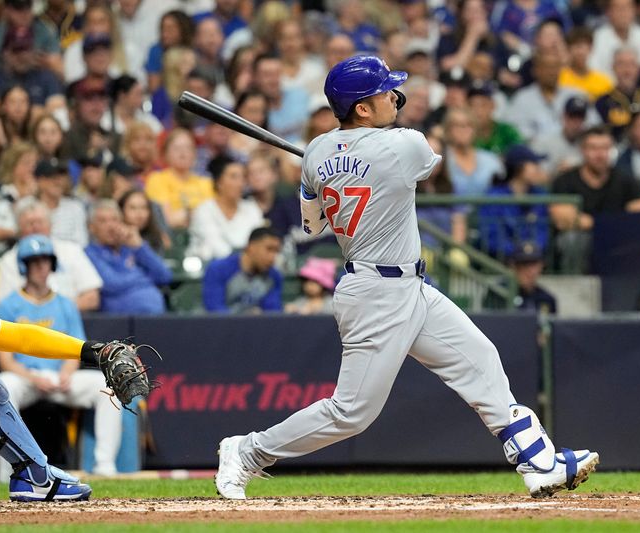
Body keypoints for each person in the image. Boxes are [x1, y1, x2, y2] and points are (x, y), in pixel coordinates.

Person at [214, 55, 599, 501]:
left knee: (479, 357)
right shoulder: (405, 145)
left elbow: (312, 226)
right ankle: (248, 450)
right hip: (376, 293)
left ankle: (538, 463)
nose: (394, 96)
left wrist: (329, 168)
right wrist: (354, 162)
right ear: (361, 107)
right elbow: (418, 161)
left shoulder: (316, 153)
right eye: (385, 91)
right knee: (352, 413)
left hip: (408, 286)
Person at [0, 235, 123, 479]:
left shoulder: (65, 304)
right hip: (26, 377)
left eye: (45, 260)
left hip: (60, 376)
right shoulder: (9, 304)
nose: (41, 266)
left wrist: (66, 373)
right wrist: (34, 378)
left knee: (106, 387)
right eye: (35, 262)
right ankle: (7, 472)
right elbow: (6, 361)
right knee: (3, 387)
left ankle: (105, 466)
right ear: (24, 265)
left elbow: (76, 349)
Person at [550, 126, 640, 273]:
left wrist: (591, 222)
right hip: (584, 239)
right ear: (582, 150)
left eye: (605, 148)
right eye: (593, 148)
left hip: (618, 237)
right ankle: (574, 284)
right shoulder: (565, 180)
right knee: (571, 239)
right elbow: (562, 218)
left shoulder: (625, 179)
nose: (600, 154)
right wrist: (612, 220)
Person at [0, 198, 102, 311]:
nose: (36, 227)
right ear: (19, 229)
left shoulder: (72, 251)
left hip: (67, 323)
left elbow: (92, 297)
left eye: (40, 222)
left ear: (51, 225)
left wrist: (57, 315)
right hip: (26, 324)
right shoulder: (8, 260)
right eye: (30, 223)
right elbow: (6, 305)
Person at [85, 200, 172, 315]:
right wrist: (146, 279)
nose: (111, 226)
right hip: (121, 322)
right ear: (92, 227)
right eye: (103, 221)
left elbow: (165, 276)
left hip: (156, 318)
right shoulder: (89, 253)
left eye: (114, 220)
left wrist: (139, 246)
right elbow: (112, 284)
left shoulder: (132, 248)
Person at [187, 156, 265, 262]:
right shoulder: (204, 210)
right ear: (219, 182)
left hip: (248, 271)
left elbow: (260, 242)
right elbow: (216, 248)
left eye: (243, 178)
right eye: (234, 177)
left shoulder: (252, 209)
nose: (240, 183)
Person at [202, 226, 283, 314]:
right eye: (269, 249)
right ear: (251, 247)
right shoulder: (217, 269)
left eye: (276, 251)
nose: (272, 257)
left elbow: (273, 312)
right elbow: (215, 310)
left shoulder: (274, 276)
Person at [531, 96, 587, 179]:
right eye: (572, 117)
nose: (576, 122)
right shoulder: (544, 142)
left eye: (580, 118)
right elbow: (535, 177)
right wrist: (557, 171)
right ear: (563, 117)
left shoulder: (591, 143)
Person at [509, 241, 557, 315]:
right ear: (514, 267)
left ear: (541, 266)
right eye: (523, 264)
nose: (528, 271)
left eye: (533, 265)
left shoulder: (546, 299)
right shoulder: (500, 294)